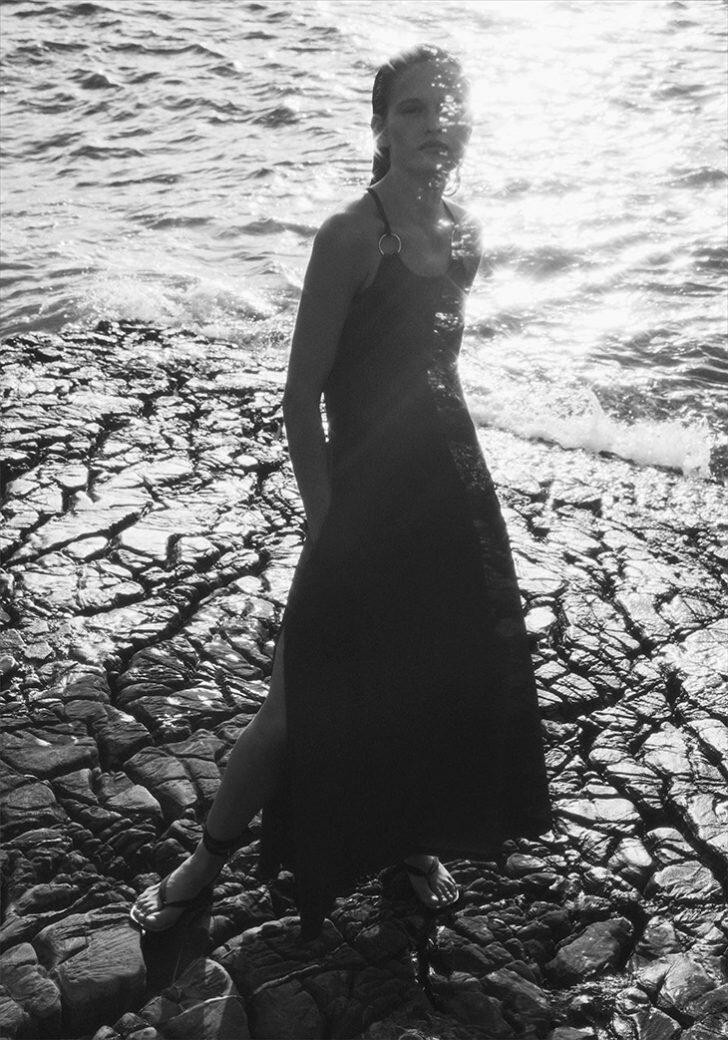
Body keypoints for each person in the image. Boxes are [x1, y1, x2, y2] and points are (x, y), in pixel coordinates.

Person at [131, 44, 553, 939]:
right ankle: (204, 862)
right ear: (381, 127)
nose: (433, 126)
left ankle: (413, 846)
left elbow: (435, 373)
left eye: (447, 109)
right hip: (361, 504)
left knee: (429, 684)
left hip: (450, 496)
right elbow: (301, 397)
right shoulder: (352, 236)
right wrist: (328, 528)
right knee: (293, 707)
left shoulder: (467, 232)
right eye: (412, 109)